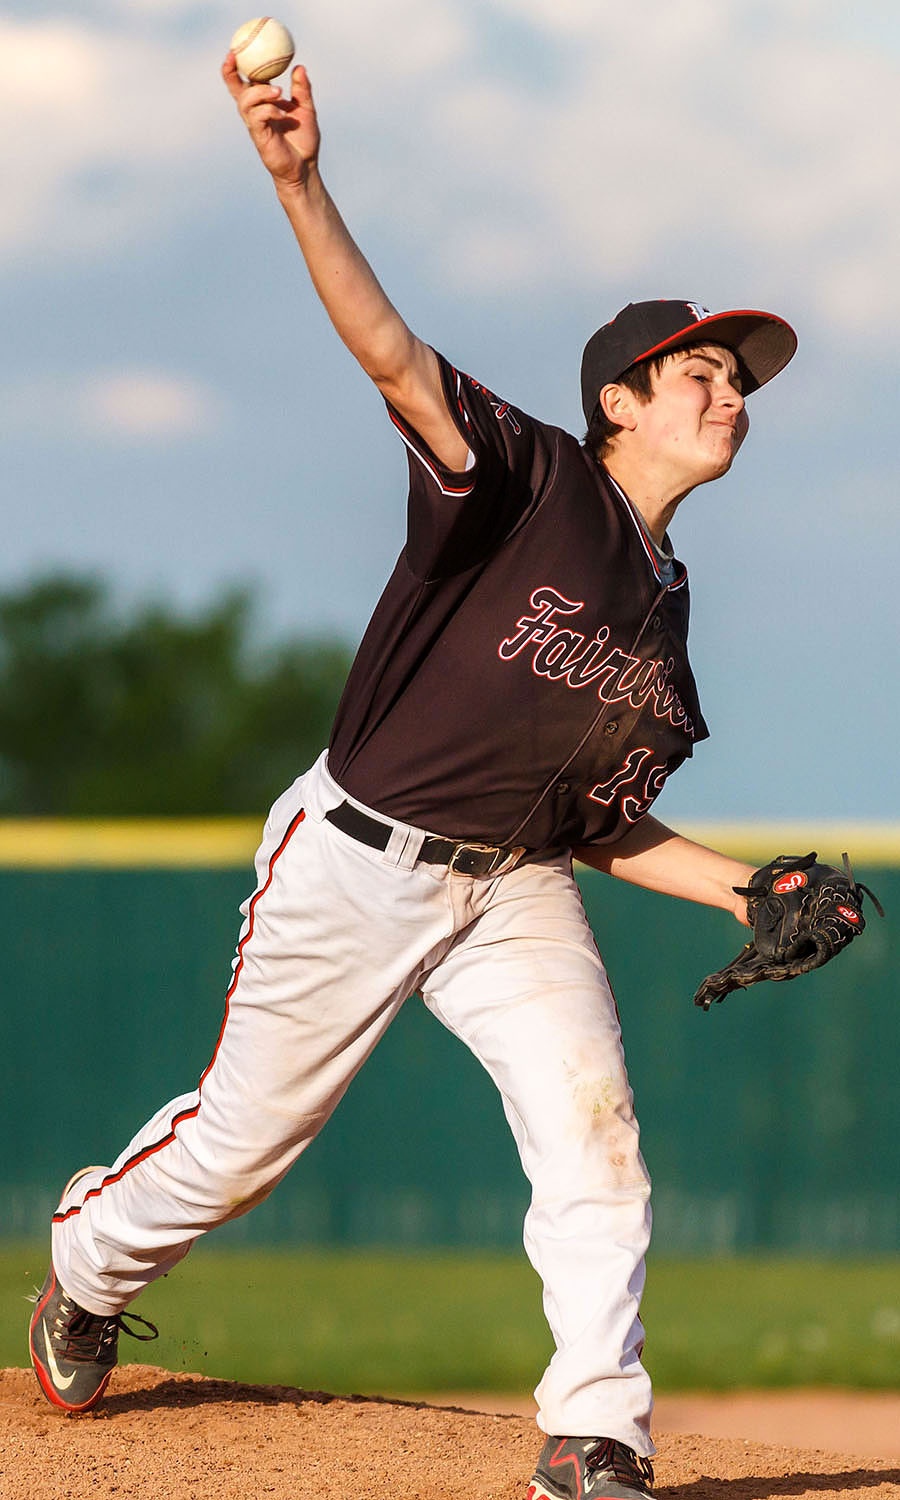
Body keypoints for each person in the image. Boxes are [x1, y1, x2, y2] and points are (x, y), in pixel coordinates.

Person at [29, 52, 798, 1500]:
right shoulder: (526, 481)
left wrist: (757, 887)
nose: (731, 396)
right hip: (357, 858)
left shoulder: (663, 612)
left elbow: (597, 825)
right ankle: (85, 1262)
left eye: (739, 382)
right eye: (700, 371)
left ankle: (594, 1438)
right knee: (243, 1147)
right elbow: (391, 353)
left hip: (508, 889)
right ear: (618, 402)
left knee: (595, 1133)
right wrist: (299, 181)